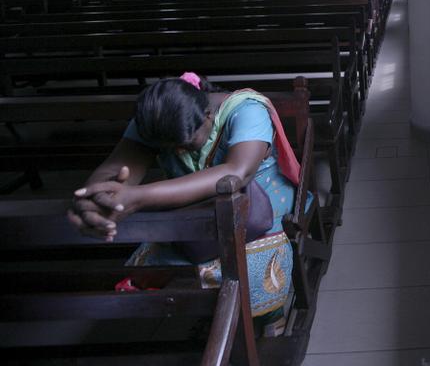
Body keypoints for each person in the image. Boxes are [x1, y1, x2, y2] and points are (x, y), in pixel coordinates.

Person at [67, 73, 306, 334]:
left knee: (244, 250)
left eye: (186, 144)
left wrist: (137, 197)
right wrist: (98, 199)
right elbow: (116, 168)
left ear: (207, 115)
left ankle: (267, 315)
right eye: (169, 148)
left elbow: (238, 172)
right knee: (175, 252)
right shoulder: (156, 120)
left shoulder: (247, 110)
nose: (179, 152)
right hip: (196, 203)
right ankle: (216, 308)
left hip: (262, 199)